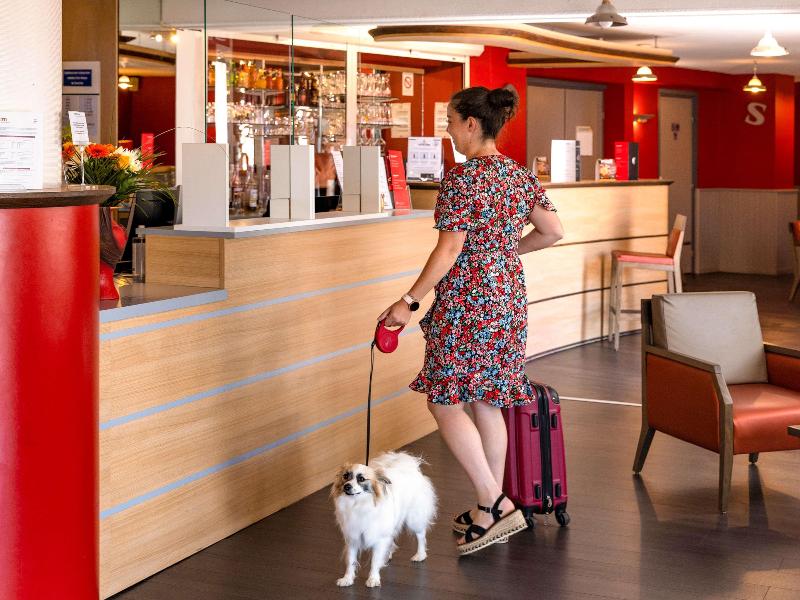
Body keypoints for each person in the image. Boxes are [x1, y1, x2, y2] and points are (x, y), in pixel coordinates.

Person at [377, 84, 564, 555]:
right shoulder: (519, 175)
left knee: (445, 402)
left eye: (451, 122)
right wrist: (503, 251)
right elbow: (553, 231)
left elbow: (450, 250)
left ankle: (493, 501)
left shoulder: (462, 179)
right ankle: (490, 508)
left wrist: (408, 301)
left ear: (472, 124)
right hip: (506, 299)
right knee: (487, 400)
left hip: (467, 302)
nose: (448, 130)